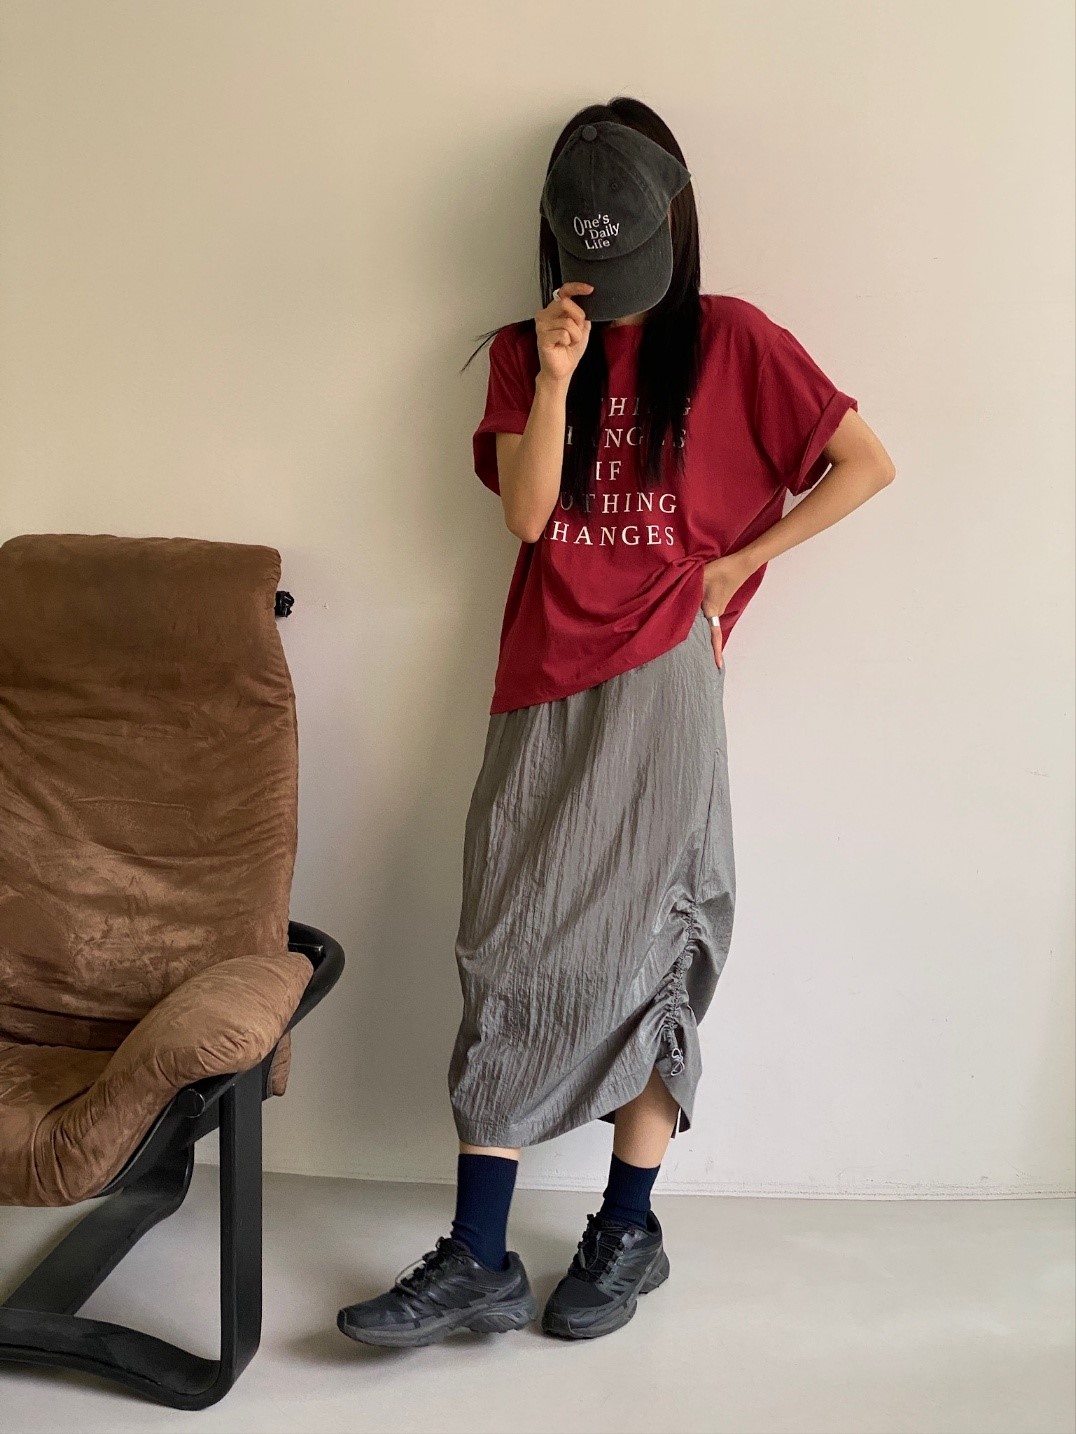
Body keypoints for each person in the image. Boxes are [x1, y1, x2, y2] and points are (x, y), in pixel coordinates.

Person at [337, 96, 896, 1348]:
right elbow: (527, 518)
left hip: (661, 677)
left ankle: (625, 1228)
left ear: (673, 226)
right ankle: (479, 1255)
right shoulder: (521, 350)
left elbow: (865, 462)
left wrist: (731, 568)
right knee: (505, 939)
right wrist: (554, 376)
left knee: (659, 940)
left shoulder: (735, 339)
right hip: (539, 671)